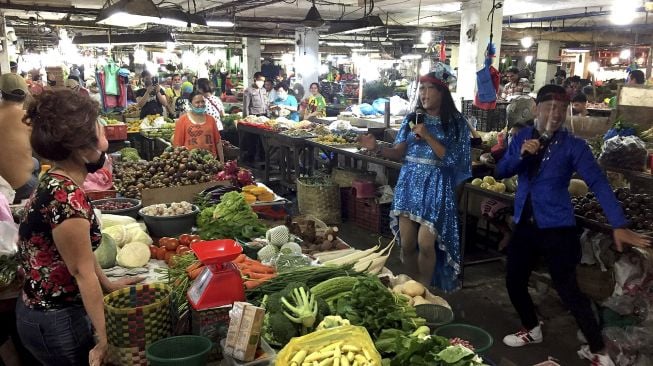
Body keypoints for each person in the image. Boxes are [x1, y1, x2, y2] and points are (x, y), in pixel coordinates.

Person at [497, 85, 651, 366]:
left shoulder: (574, 146)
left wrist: (618, 224)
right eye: (548, 107)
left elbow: (598, 183)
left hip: (557, 227)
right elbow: (502, 170)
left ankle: (599, 350)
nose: (554, 114)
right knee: (514, 280)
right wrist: (521, 155)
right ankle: (532, 328)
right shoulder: (521, 137)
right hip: (525, 224)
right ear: (536, 108)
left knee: (568, 289)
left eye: (560, 108)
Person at [16, 90, 143, 366]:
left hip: (46, 311)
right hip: (57, 320)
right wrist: (106, 337)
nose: (104, 131)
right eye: (98, 126)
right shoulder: (66, 197)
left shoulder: (59, 180)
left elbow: (78, 255)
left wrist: (108, 284)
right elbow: (81, 272)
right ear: (82, 147)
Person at [359, 69, 471, 290]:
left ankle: (425, 289)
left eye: (430, 88)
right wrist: (378, 148)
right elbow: (398, 151)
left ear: (443, 93)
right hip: (409, 183)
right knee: (408, 244)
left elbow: (453, 160)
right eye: (422, 88)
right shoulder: (412, 119)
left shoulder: (456, 123)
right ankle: (412, 287)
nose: (424, 94)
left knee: (426, 244)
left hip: (437, 186)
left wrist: (427, 135)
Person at [0, 73, 40, 204]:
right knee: (36, 163)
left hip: (2, 186)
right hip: (23, 186)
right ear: (26, 94)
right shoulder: (27, 118)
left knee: (35, 162)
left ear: (2, 93)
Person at [172, 90, 224, 163]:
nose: (201, 104)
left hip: (211, 162)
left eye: (202, 101)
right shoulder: (182, 120)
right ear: (190, 104)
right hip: (190, 163)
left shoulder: (211, 119)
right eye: (197, 102)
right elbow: (177, 145)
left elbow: (218, 141)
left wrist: (222, 161)